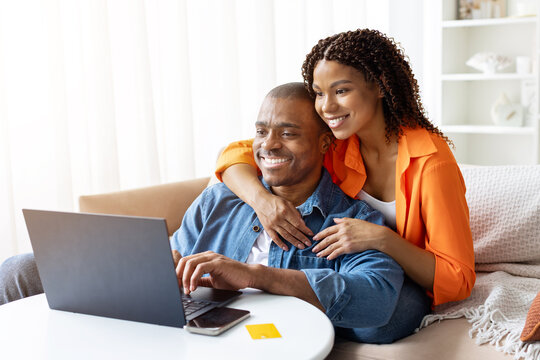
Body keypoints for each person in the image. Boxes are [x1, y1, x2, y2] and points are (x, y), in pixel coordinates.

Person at [0, 83, 429, 344]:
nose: (269, 145)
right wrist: (159, 266)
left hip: (259, 338)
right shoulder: (221, 198)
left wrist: (254, 276)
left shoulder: (351, 222)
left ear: (324, 144)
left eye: (289, 133)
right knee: (17, 269)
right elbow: (178, 258)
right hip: (190, 321)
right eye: (261, 131)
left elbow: (376, 299)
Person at [214, 29, 475, 307]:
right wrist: (262, 201)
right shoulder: (336, 142)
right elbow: (236, 155)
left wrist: (382, 239)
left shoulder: (431, 163)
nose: (327, 107)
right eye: (318, 93)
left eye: (341, 91)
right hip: (348, 269)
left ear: (379, 86)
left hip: (395, 284)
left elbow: (458, 278)